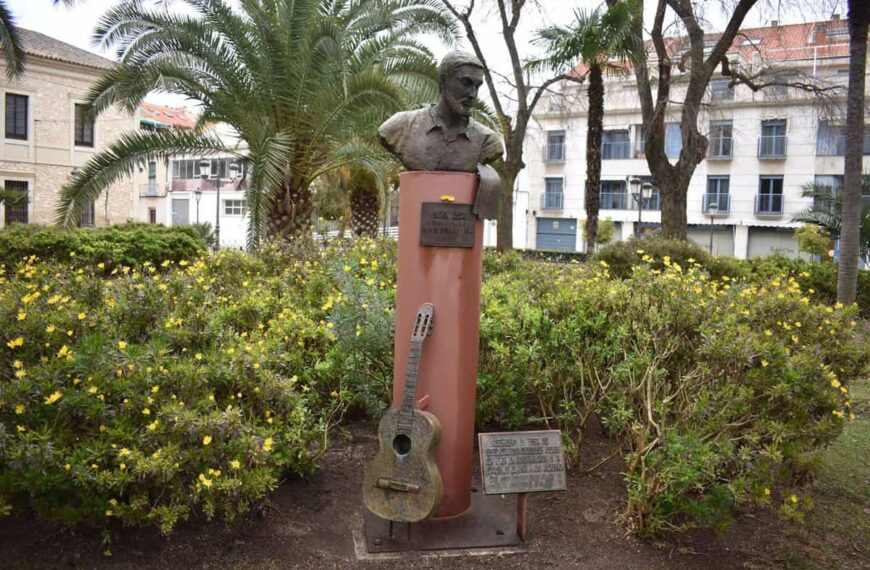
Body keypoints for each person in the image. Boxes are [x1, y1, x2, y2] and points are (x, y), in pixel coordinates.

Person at [378, 50, 503, 218]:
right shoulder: (401, 127)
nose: (472, 94)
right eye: (465, 83)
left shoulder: (487, 141)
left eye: (477, 86)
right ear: (443, 82)